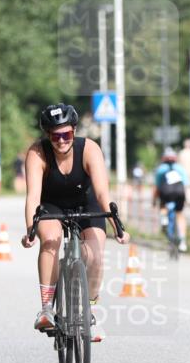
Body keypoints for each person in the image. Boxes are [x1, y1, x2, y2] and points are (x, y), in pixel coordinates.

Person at [21, 103, 129, 342]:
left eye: (66, 134)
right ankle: (47, 308)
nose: (61, 141)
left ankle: (88, 312)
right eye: (55, 136)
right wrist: (30, 230)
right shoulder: (37, 153)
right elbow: (33, 197)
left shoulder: (89, 149)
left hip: (86, 203)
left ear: (74, 131)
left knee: (96, 254)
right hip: (51, 205)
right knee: (50, 240)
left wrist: (117, 226)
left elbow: (102, 193)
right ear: (47, 136)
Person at [152, 147, 189, 252]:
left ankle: (164, 217)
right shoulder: (180, 168)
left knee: (163, 205)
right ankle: (182, 241)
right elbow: (185, 185)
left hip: (166, 194)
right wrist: (187, 199)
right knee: (180, 215)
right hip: (179, 194)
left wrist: (154, 201)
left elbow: (157, 187)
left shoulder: (161, 169)